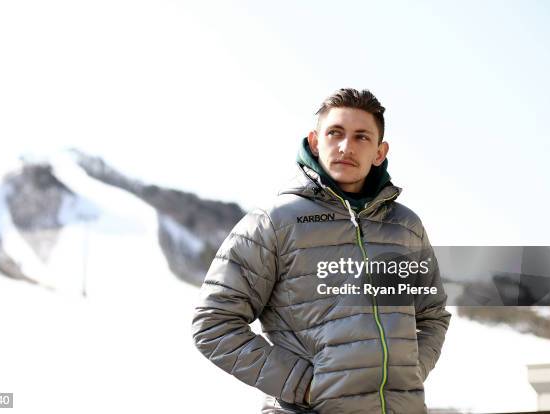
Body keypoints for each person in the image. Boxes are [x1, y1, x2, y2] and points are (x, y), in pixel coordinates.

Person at [191, 88, 450, 414]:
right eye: (335, 133)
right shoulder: (274, 222)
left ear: (380, 152)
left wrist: (405, 377)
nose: (345, 147)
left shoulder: (406, 227)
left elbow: (432, 317)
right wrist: (306, 386)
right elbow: (214, 324)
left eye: (361, 137)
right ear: (315, 141)